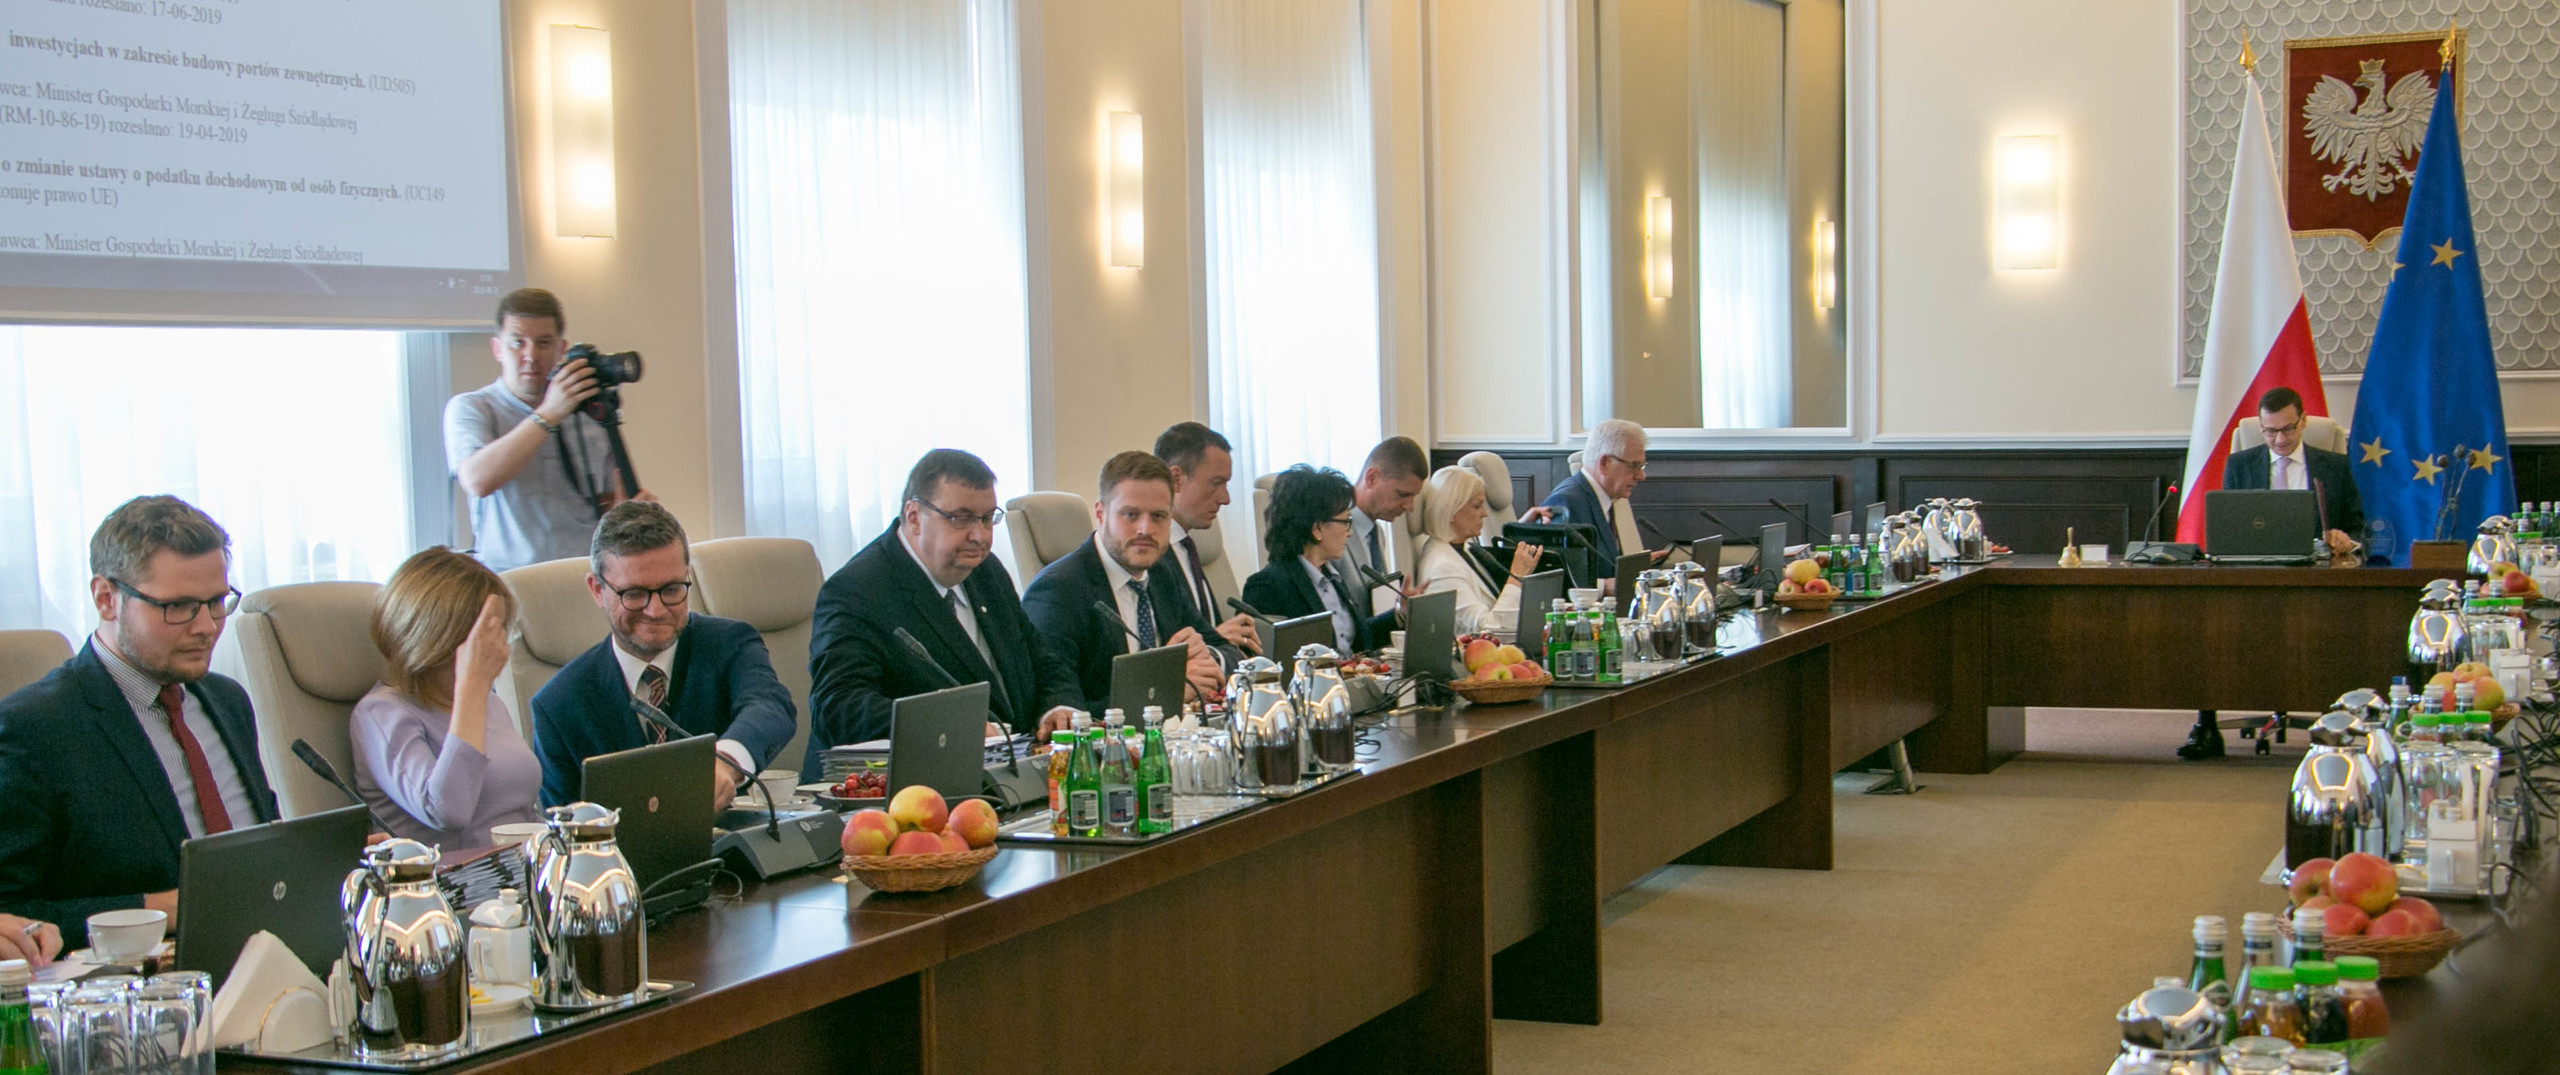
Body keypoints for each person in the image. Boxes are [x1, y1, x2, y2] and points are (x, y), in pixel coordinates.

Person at [0, 496, 279, 948]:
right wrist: (153, 909)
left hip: (269, 951)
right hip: (142, 976)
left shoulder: (227, 701)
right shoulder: (34, 729)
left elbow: (262, 848)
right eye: (179, 606)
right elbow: (11, 914)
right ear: (106, 599)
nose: (207, 626)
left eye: (215, 602)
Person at [808, 450, 1082, 765]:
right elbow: (838, 706)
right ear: (914, 517)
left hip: (1008, 768)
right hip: (902, 779)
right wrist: (952, 726)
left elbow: (1042, 659)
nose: (979, 535)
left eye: (986, 518)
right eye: (960, 518)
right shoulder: (858, 590)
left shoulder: (986, 571)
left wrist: (1058, 706)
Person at [531, 502, 799, 809]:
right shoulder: (558, 705)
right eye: (634, 594)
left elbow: (770, 707)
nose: (656, 611)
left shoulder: (729, 644)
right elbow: (564, 826)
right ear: (597, 590)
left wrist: (725, 763)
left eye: (671, 590)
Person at [445, 287, 654, 573]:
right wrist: (550, 413)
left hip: (584, 574)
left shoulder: (587, 411)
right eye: (518, 343)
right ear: (497, 348)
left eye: (543, 343)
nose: (531, 355)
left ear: (561, 349)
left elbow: (606, 501)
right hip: (510, 580)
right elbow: (477, 480)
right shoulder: (473, 407)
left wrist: (622, 512)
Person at [350, 548, 543, 849]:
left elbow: (523, 812)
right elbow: (445, 810)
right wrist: (472, 685)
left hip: (520, 867)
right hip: (451, 876)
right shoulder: (381, 713)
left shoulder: (489, 703)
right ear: (441, 637)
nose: (498, 646)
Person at [1024, 452, 1234, 716]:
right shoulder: (1058, 591)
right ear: (1101, 514)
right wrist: (1165, 689)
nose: (1145, 529)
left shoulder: (1162, 574)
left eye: (1158, 516)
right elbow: (1061, 708)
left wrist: (1206, 659)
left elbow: (1227, 651)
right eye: (1131, 515)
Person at [1242, 466, 1397, 654]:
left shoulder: (1332, 577)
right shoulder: (1266, 586)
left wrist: (1399, 615)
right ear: (1318, 529)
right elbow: (1268, 658)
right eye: (1346, 522)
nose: (1349, 533)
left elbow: (1358, 639)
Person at [1153, 422, 1260, 654]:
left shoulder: (1188, 548)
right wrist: (1216, 639)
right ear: (1175, 479)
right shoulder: (1149, 558)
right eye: (1216, 483)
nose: (1225, 498)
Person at [2220, 386, 2363, 554]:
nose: (2280, 440)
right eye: (2271, 431)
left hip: (2318, 565)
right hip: (2258, 563)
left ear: (2303, 420)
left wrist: (2345, 540)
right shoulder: (2238, 466)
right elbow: (2228, 529)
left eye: (2288, 429)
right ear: (2261, 426)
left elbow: (2357, 528)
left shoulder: (2337, 467)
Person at [1413, 466, 1546, 637]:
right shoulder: (1442, 567)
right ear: (1451, 510)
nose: (1484, 513)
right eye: (1477, 506)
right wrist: (1517, 576)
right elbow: (1487, 630)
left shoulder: (1465, 549)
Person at [1531, 418, 1652, 566]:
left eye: (1641, 466)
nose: (1641, 476)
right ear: (1605, 463)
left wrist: (1636, 565)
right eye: (1634, 466)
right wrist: (1611, 580)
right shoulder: (1565, 503)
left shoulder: (1606, 497)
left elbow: (1604, 565)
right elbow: (1558, 573)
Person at [1345, 436, 1429, 584]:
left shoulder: (1377, 533)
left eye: (1413, 497)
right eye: (1402, 494)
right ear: (1372, 478)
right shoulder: (1331, 530)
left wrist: (1397, 598)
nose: (1409, 507)